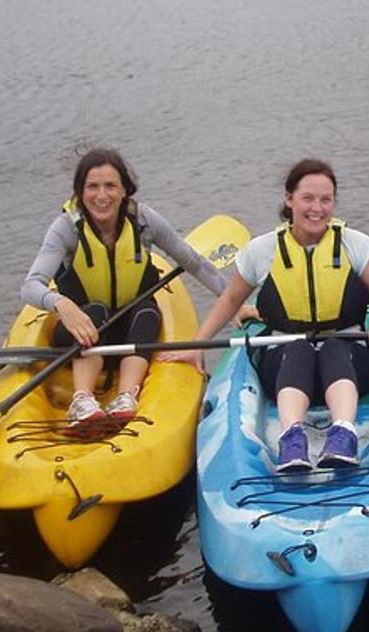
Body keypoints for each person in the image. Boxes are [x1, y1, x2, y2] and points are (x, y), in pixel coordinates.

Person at [160, 158, 369, 471]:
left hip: (351, 358)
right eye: (308, 198)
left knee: (334, 347)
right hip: (285, 361)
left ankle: (343, 433)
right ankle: (292, 438)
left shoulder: (358, 246)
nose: (317, 208)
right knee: (298, 348)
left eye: (325, 199)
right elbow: (230, 300)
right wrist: (197, 345)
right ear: (289, 200)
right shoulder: (262, 250)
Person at [20, 147, 235, 432]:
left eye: (110, 186)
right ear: (80, 192)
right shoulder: (66, 229)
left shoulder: (144, 221)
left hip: (132, 333)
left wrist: (233, 300)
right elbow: (30, 287)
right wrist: (63, 305)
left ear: (125, 190)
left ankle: (125, 397)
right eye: (92, 187)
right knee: (94, 311)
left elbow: (192, 261)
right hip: (82, 333)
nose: (101, 196)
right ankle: (82, 401)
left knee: (147, 311)